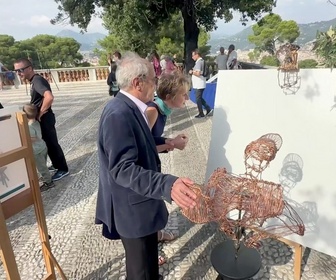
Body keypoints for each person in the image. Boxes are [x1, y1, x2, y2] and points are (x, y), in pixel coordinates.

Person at [95, 52, 197, 280]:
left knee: (148, 265)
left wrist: (167, 142)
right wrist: (168, 185)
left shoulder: (130, 107)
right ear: (137, 83)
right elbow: (122, 169)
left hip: (140, 205)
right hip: (132, 210)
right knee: (140, 271)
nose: (156, 84)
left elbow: (143, 143)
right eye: (154, 79)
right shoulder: (118, 114)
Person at [146, 71, 190, 265]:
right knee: (148, 209)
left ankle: (156, 234)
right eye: (184, 94)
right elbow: (142, 146)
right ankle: (148, 252)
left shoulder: (161, 110)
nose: (187, 98)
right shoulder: (152, 111)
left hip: (151, 165)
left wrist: (171, 142)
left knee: (153, 205)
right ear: (170, 97)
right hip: (143, 170)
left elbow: (152, 141)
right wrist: (172, 144)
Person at [13, 58, 69, 181]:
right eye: (16, 71)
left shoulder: (37, 81)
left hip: (45, 118)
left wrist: (41, 113)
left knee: (52, 144)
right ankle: (56, 164)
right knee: (48, 143)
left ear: (29, 68)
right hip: (44, 118)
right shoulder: (34, 81)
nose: (18, 73)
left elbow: (49, 97)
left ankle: (63, 169)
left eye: (21, 70)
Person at [23, 104, 55, 191]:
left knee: (42, 167)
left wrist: (24, 138)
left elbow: (33, 138)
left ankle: (48, 182)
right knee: (43, 164)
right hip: (43, 147)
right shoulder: (36, 121)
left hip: (36, 151)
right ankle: (45, 177)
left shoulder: (29, 127)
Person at [189, 49, 213, 118]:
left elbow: (198, 73)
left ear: (197, 54)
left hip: (199, 84)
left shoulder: (199, 62)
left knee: (198, 99)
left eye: (193, 55)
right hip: (199, 83)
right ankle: (208, 108)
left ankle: (201, 113)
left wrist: (191, 72)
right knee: (199, 98)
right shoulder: (201, 61)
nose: (192, 57)